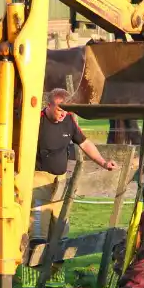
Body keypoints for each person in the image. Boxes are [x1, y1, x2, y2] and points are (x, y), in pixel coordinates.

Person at [31, 87, 117, 245]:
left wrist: (104, 162)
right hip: (38, 179)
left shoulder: (69, 120)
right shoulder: (36, 121)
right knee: (38, 229)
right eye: (59, 110)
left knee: (61, 226)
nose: (63, 114)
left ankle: (57, 262)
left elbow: (85, 143)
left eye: (66, 110)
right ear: (48, 106)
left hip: (60, 181)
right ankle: (34, 259)